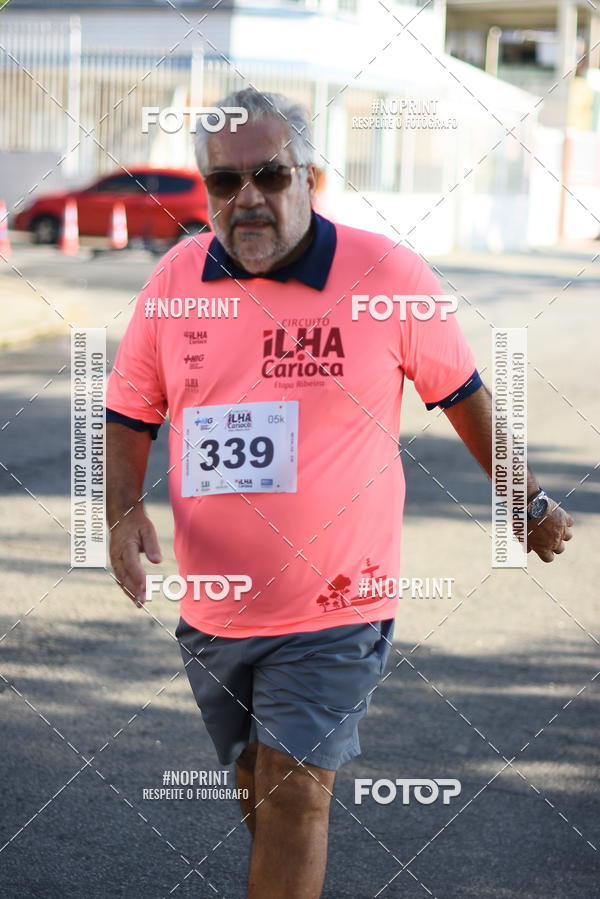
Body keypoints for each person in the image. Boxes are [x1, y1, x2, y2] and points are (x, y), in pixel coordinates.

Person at [105, 89, 574, 898]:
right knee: (265, 792)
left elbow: (464, 395)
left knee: (291, 796)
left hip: (339, 600)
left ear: (310, 177)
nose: (247, 197)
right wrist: (119, 511)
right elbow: (129, 404)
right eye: (225, 183)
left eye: (269, 175)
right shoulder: (177, 279)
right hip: (216, 607)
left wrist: (525, 500)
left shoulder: (386, 276)